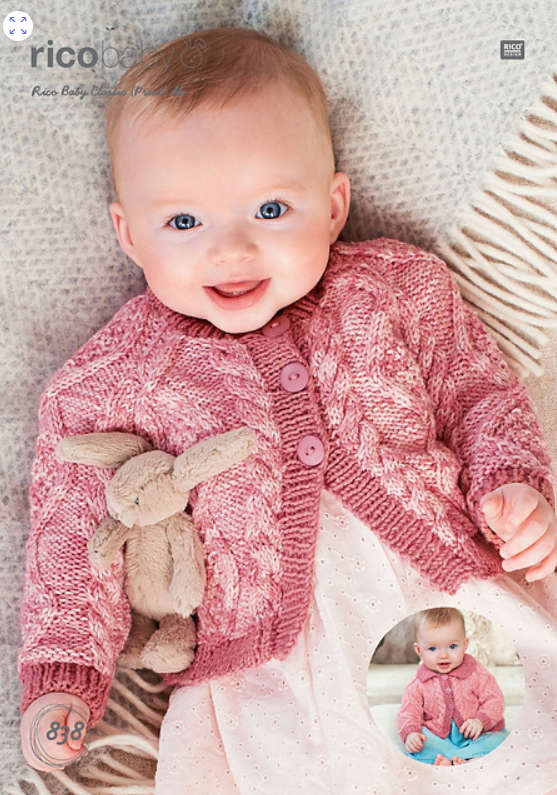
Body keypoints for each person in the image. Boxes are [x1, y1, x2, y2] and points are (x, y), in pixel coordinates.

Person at [18, 26, 557, 794]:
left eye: (270, 207)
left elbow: (478, 392)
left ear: (333, 206)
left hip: (443, 607)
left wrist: (513, 484)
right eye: (183, 222)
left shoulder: (394, 287)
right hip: (268, 668)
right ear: (128, 234)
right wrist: (66, 668)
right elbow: (74, 528)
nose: (231, 248)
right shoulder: (116, 373)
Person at [397, 608, 509, 766]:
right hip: (440, 738)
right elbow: (408, 711)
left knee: (500, 740)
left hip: (476, 734)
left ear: (465, 645)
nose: (443, 655)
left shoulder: (476, 672)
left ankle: (460, 758)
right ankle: (464, 758)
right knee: (419, 743)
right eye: (432, 648)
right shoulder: (418, 682)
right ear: (419, 650)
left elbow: (494, 700)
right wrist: (411, 733)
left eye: (452, 646)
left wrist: (480, 721)